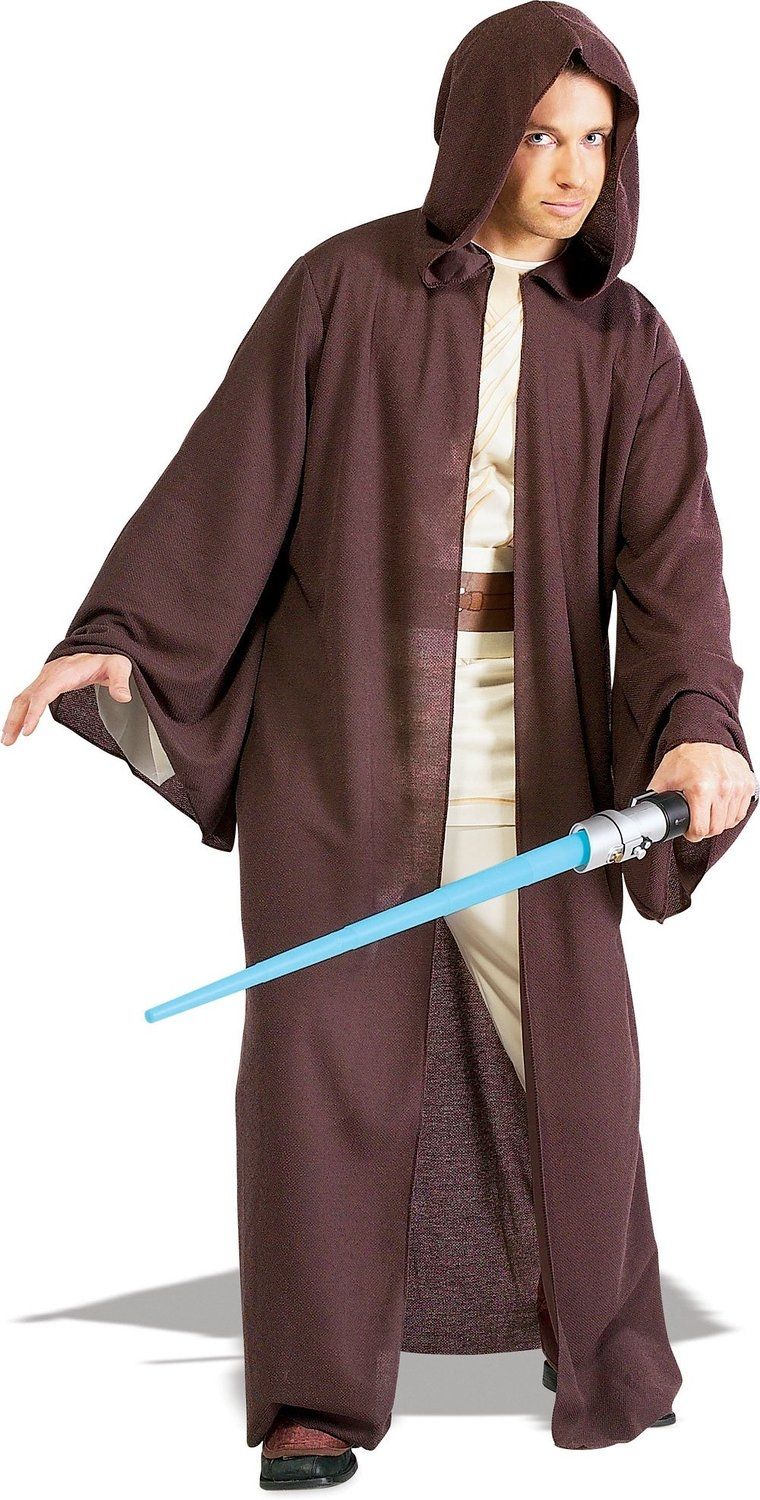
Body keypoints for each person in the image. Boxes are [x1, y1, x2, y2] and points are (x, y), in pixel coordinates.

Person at [4, 3, 757, 1485]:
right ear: (476, 131)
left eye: (596, 141)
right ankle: (315, 1394)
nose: (571, 171)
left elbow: (676, 571)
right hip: (342, 739)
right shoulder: (344, 288)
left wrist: (697, 728)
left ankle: (603, 1341)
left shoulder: (631, 342)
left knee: (578, 1050)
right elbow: (230, 481)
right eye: (540, 135)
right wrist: (125, 637)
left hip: (540, 750)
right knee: (321, 1054)